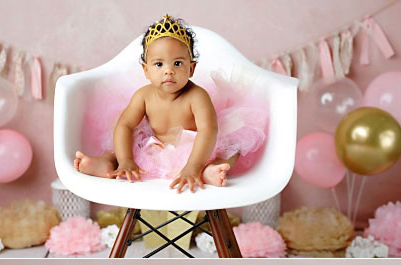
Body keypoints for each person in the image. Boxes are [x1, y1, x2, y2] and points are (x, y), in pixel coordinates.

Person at [74, 14, 268, 193]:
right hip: (153, 148)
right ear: (146, 70)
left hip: (196, 151)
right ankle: (109, 163)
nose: (168, 71)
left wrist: (193, 166)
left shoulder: (197, 96)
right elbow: (124, 125)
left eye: (177, 63)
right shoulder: (143, 96)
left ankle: (209, 169)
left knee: (232, 146)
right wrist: (126, 159)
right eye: (159, 64)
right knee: (119, 133)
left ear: (191, 68)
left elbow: (208, 131)